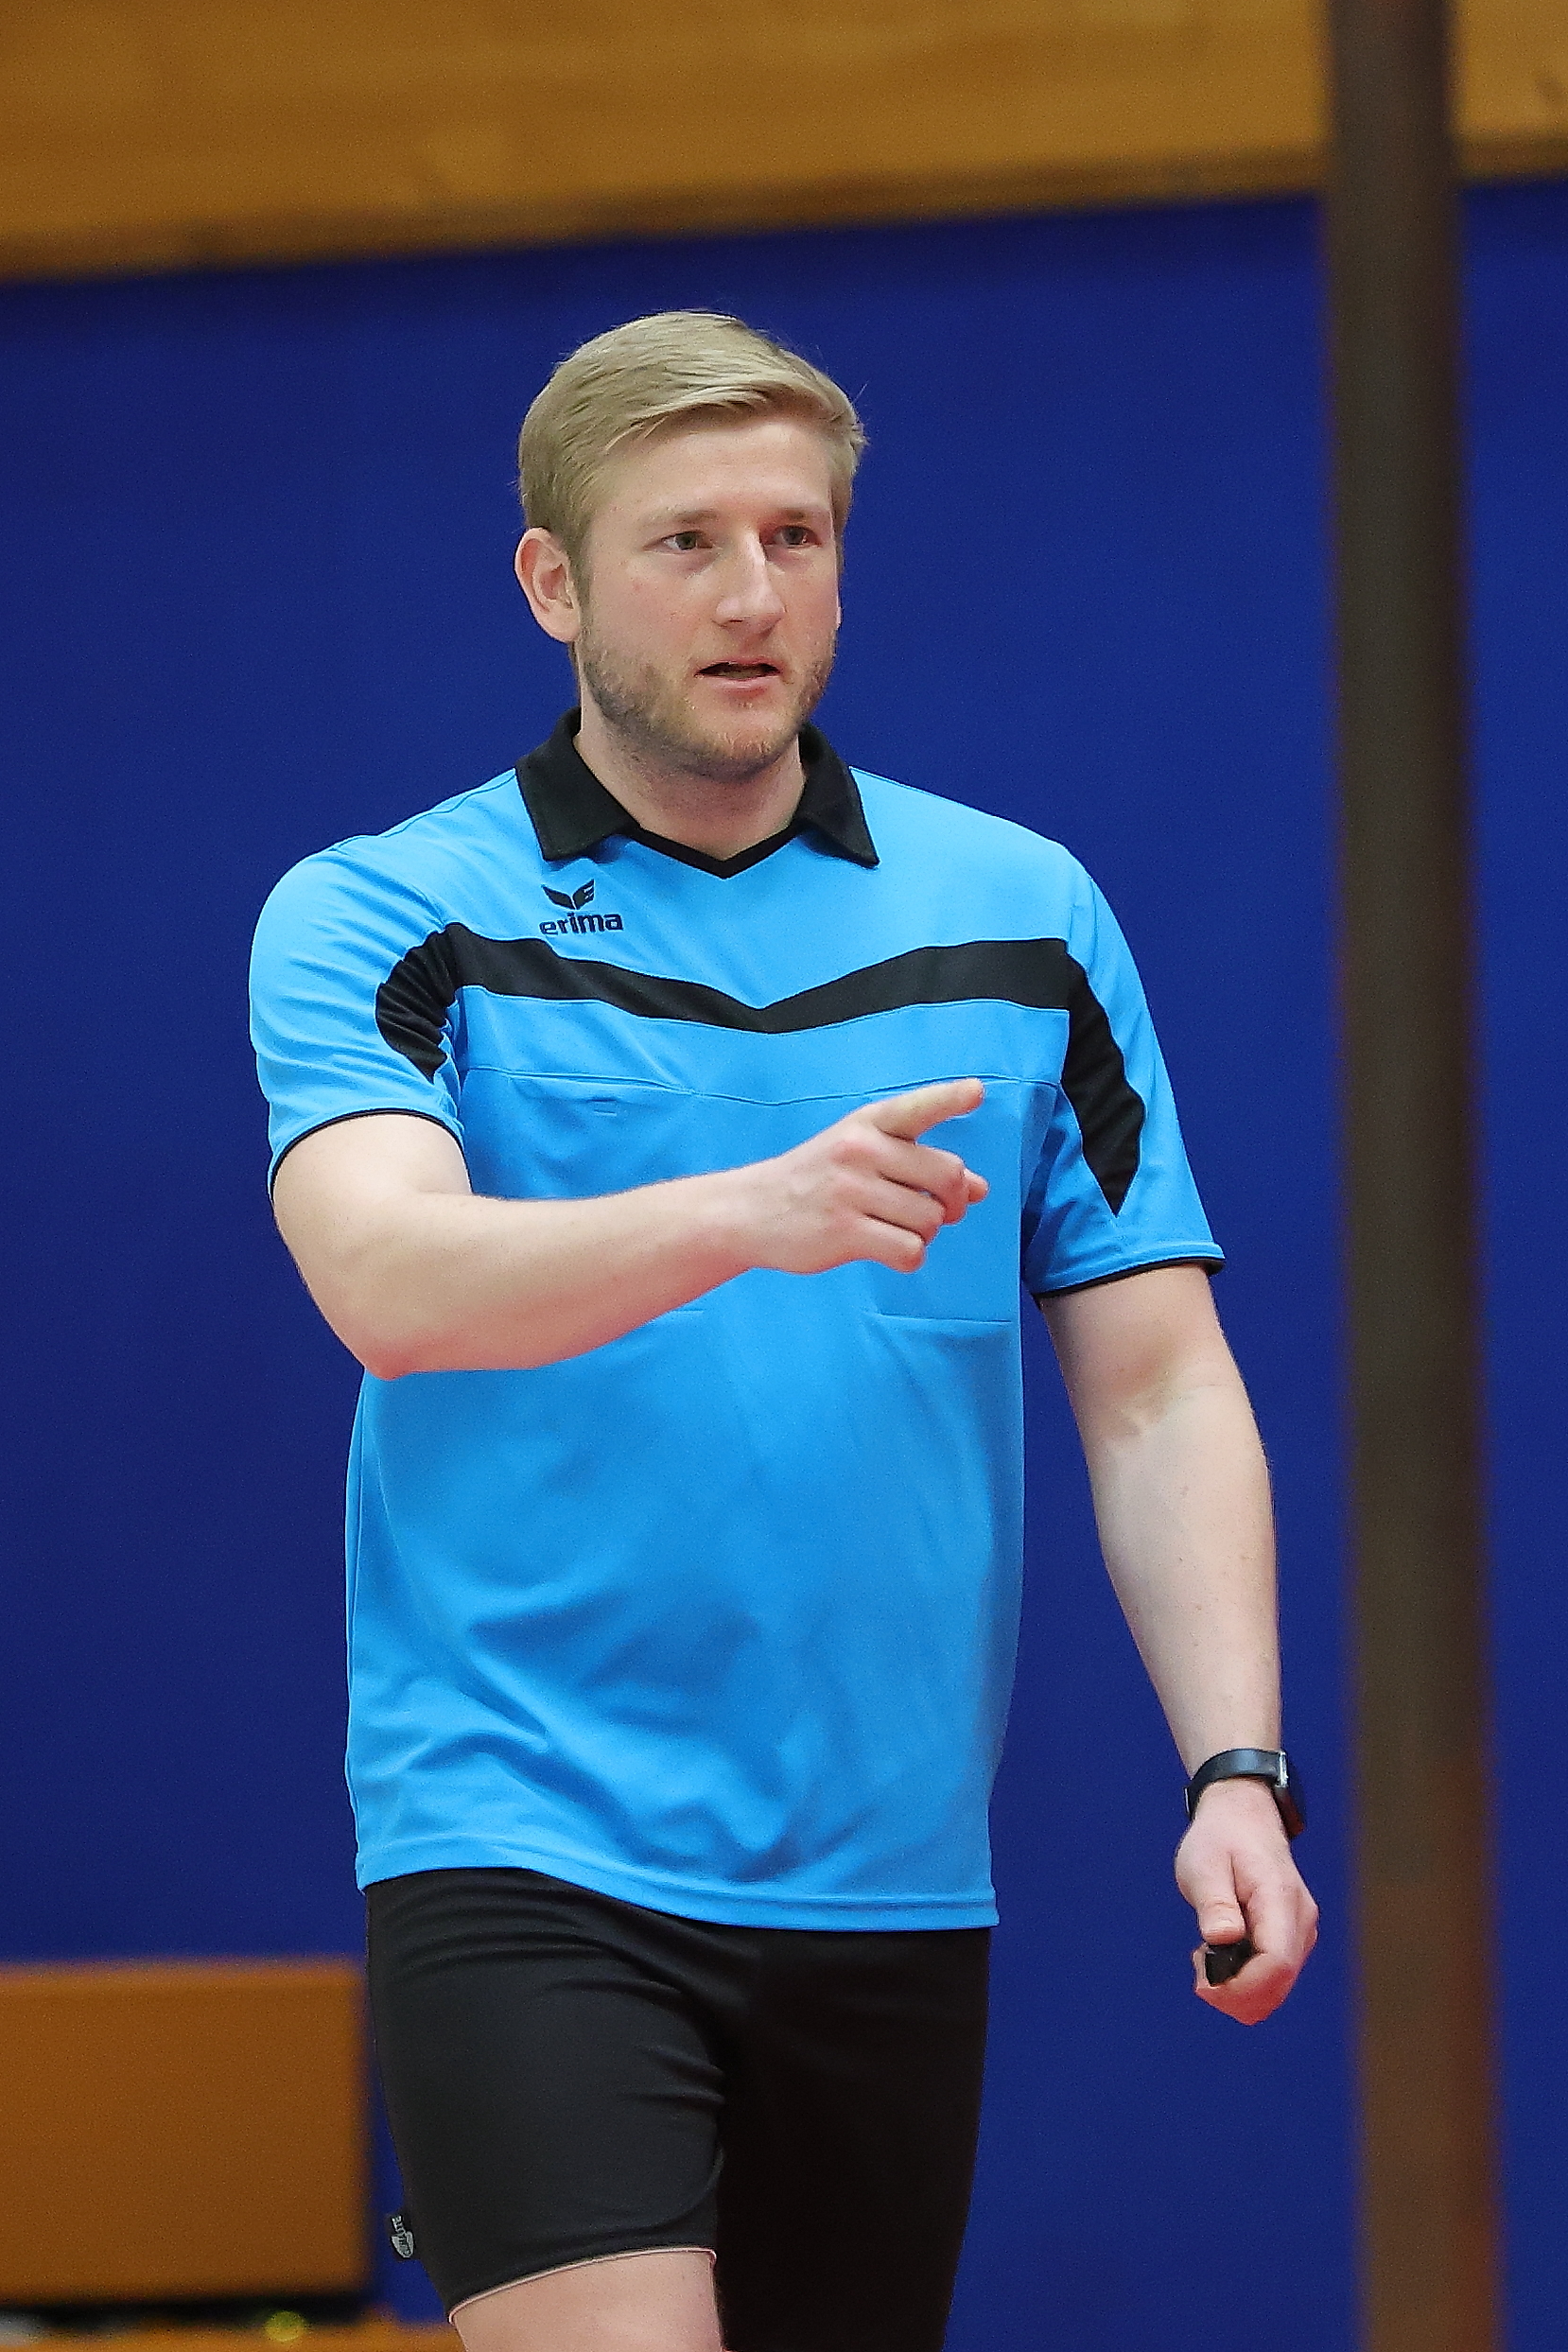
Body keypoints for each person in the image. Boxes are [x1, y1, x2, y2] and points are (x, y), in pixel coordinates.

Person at [250, 310, 1317, 2352]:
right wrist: (749, 1211)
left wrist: (1237, 1770)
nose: (752, 596)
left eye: (794, 538)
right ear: (553, 583)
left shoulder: (1023, 914)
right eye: (685, 544)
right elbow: (387, 1278)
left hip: (888, 1880)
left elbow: (1158, 1387)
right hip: (522, 1840)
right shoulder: (385, 913)